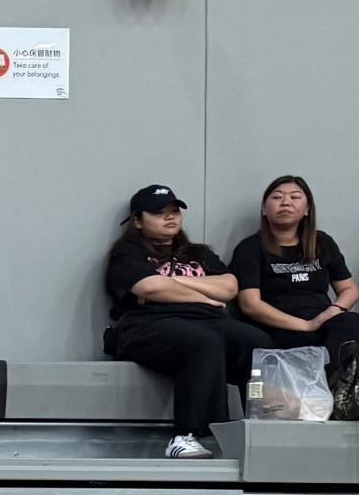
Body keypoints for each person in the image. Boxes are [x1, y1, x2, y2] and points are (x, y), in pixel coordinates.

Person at [102, 184, 250, 458]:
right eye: (159, 213)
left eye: (174, 211)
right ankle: (185, 435)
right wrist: (204, 295)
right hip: (145, 324)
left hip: (204, 319)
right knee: (203, 343)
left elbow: (229, 287)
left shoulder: (198, 252)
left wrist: (173, 282)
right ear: (137, 220)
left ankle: (256, 427)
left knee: (256, 342)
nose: (170, 217)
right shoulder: (127, 252)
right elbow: (150, 289)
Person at [230, 173, 359, 379]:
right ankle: (330, 392)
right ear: (263, 209)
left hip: (322, 319)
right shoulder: (250, 248)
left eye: (295, 197)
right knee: (304, 344)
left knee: (351, 322)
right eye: (277, 197)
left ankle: (341, 389)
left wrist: (334, 310)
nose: (285, 202)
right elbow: (250, 304)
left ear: (306, 209)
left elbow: (350, 289)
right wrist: (305, 325)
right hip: (278, 325)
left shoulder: (322, 242)